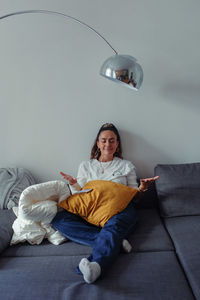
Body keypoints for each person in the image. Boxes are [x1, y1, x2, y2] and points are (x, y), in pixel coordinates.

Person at [52, 123, 158, 284]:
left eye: (111, 140)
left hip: (118, 210)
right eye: (103, 140)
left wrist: (142, 189)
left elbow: (134, 197)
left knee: (115, 226)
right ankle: (115, 241)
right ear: (98, 143)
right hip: (91, 210)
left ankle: (96, 266)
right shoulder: (86, 166)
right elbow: (79, 196)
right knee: (59, 220)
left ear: (117, 144)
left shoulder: (126, 166)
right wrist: (74, 184)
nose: (107, 144)